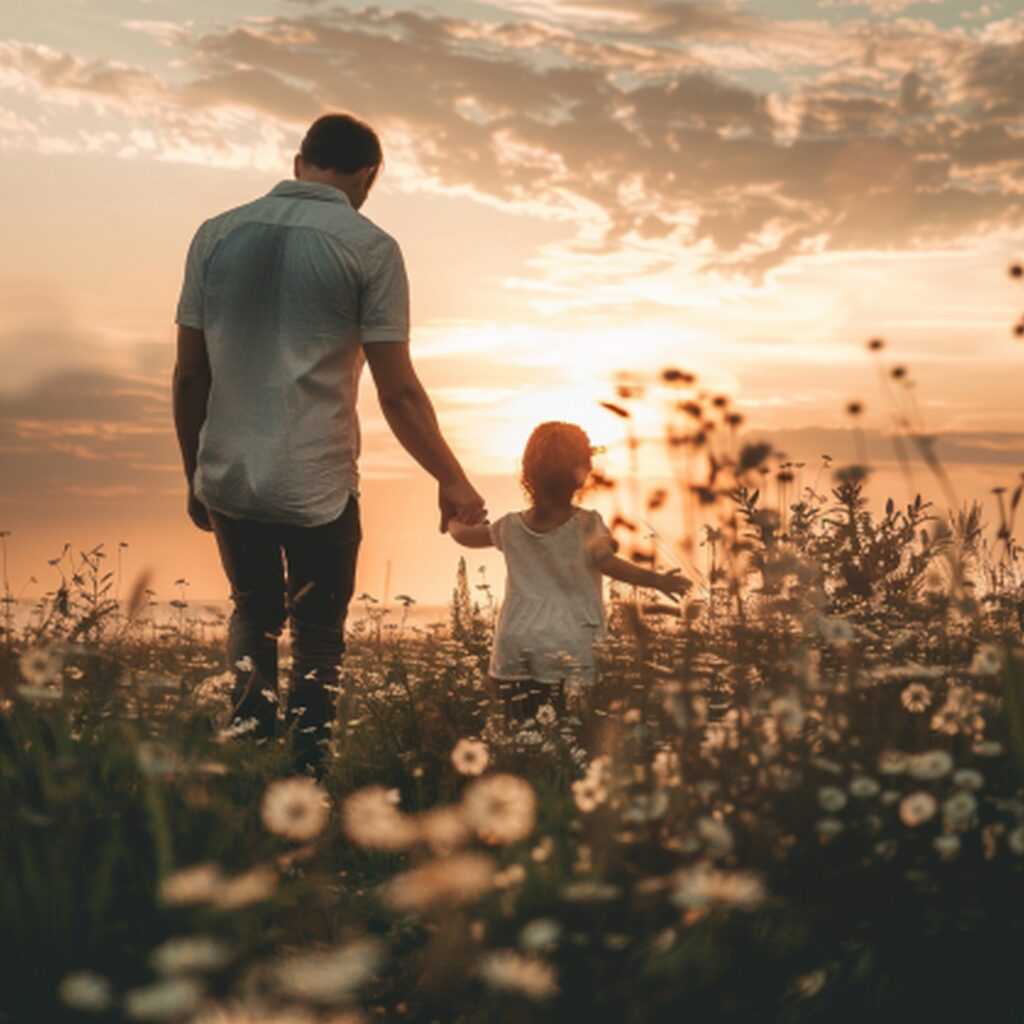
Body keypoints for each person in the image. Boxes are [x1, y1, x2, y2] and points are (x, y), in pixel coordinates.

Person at [173, 112, 485, 774]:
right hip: (315, 478)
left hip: (227, 470)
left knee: (252, 617)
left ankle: (248, 766)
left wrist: (193, 474)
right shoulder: (369, 247)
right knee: (317, 636)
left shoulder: (213, 235)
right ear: (370, 175)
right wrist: (452, 478)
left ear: (297, 162)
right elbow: (397, 392)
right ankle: (306, 775)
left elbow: (190, 372)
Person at [448, 421, 689, 720]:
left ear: (527, 474)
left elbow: (465, 537)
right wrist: (657, 580)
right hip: (571, 643)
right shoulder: (587, 524)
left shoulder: (509, 527)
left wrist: (451, 518)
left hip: (516, 642)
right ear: (583, 474)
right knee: (570, 731)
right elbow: (609, 563)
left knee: (517, 730)